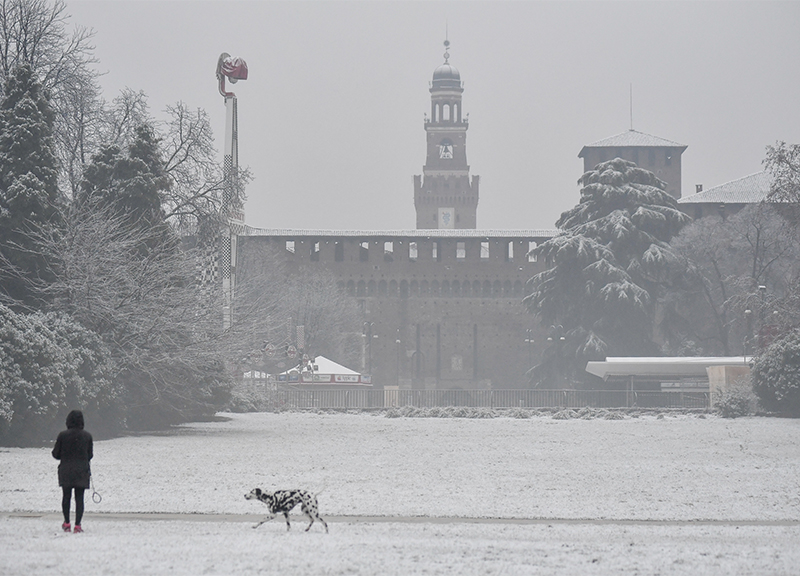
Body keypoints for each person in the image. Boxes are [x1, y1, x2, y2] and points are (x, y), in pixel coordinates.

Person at [52, 410, 93, 533]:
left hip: (66, 470)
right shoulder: (87, 436)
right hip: (81, 471)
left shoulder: (62, 435)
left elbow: (56, 454)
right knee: (79, 498)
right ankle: (78, 525)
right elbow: (90, 455)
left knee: (66, 497)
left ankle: (67, 523)